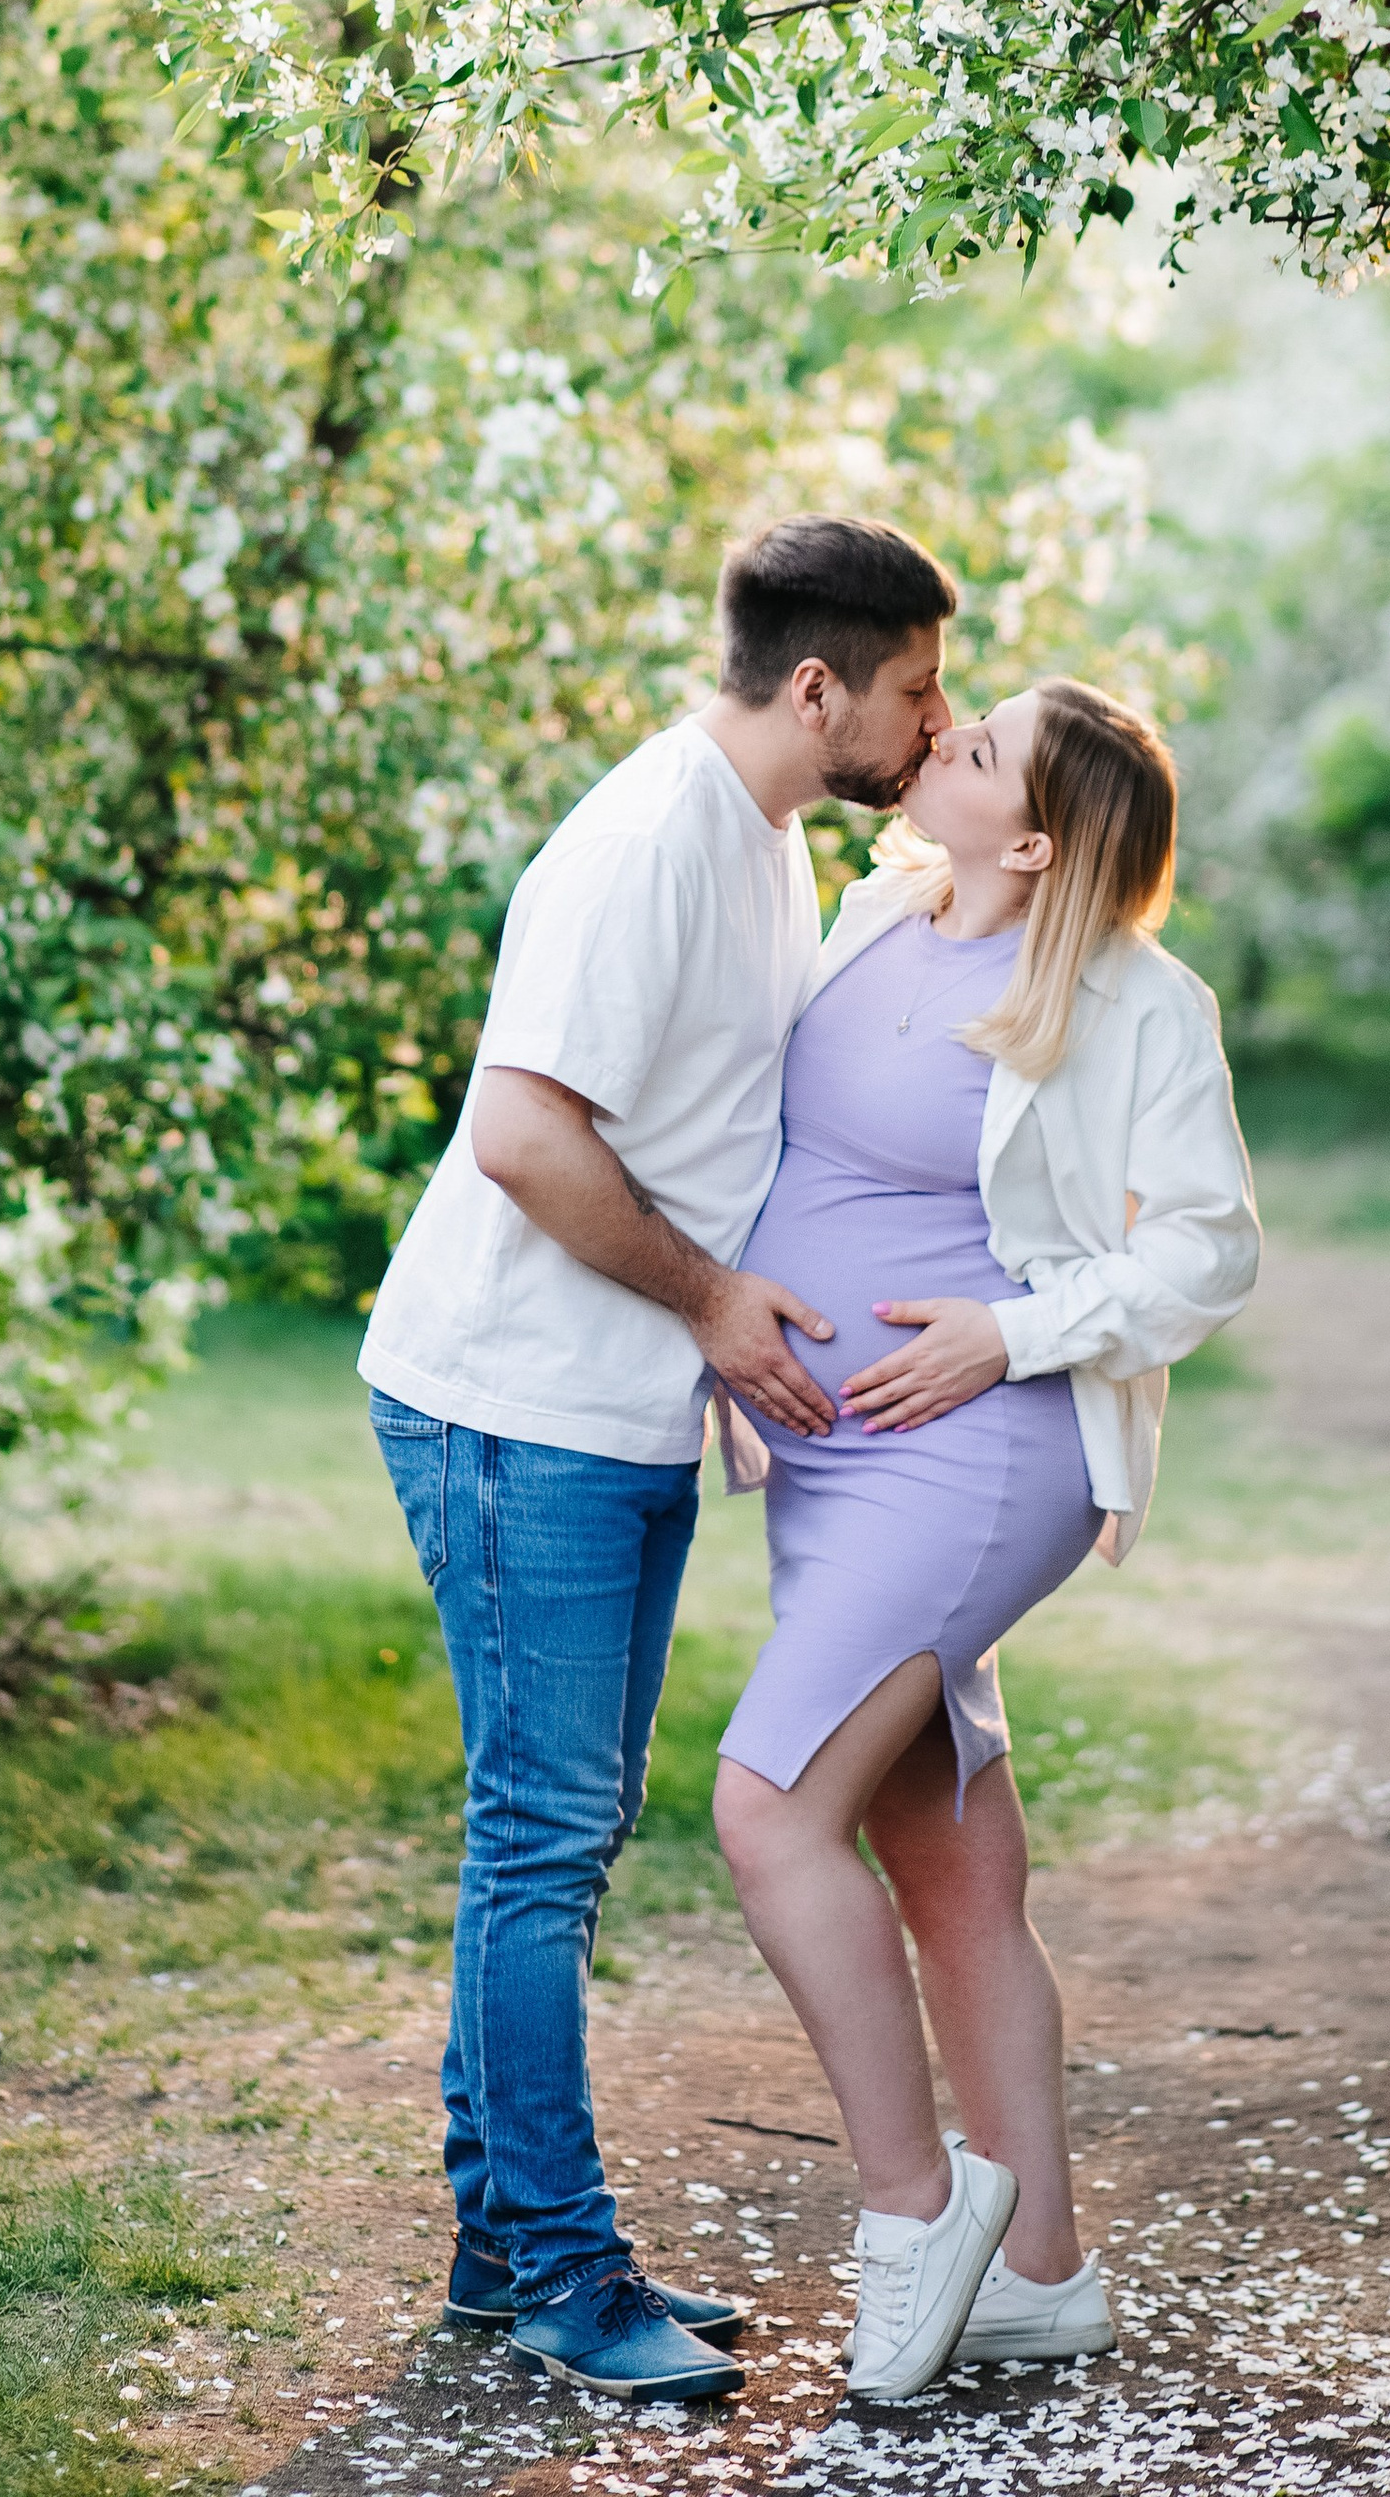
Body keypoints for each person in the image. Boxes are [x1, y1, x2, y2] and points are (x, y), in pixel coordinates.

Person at [359, 516, 959, 2405]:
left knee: (560, 1839)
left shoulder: (771, 843)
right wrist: (714, 1305)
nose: (933, 724)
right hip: (509, 1401)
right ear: (817, 688)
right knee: (540, 1846)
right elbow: (525, 1139)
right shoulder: (642, 846)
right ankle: (559, 2271)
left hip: (608, 1409)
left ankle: (498, 2246)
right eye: (918, 690)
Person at [712, 678, 1259, 2399]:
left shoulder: (1140, 1004)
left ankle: (915, 2214)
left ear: (1034, 836)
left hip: (974, 1452)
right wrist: (731, 1332)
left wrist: (1003, 1335)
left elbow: (1209, 1254)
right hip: (839, 1459)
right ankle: (1041, 2276)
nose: (941, 740)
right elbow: (790, 1152)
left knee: (769, 1809)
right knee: (950, 1863)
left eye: (980, 746)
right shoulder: (883, 906)